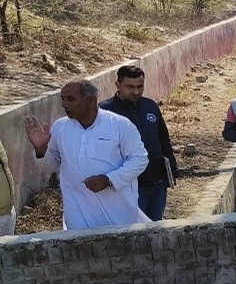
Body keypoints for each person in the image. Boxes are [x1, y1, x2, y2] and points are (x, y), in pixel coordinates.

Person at [25, 79, 149, 229]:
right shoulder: (61, 127)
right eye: (63, 99)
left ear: (91, 101)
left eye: (70, 99)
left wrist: (109, 179)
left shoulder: (119, 125)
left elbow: (140, 159)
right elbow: (51, 166)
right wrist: (41, 149)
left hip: (118, 213)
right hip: (77, 213)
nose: (64, 104)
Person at [99, 64, 177, 221]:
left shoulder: (150, 106)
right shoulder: (105, 112)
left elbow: (163, 139)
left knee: (155, 227)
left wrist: (172, 170)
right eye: (130, 87)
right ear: (118, 85)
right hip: (129, 187)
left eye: (140, 86)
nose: (136, 91)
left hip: (158, 182)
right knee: (134, 229)